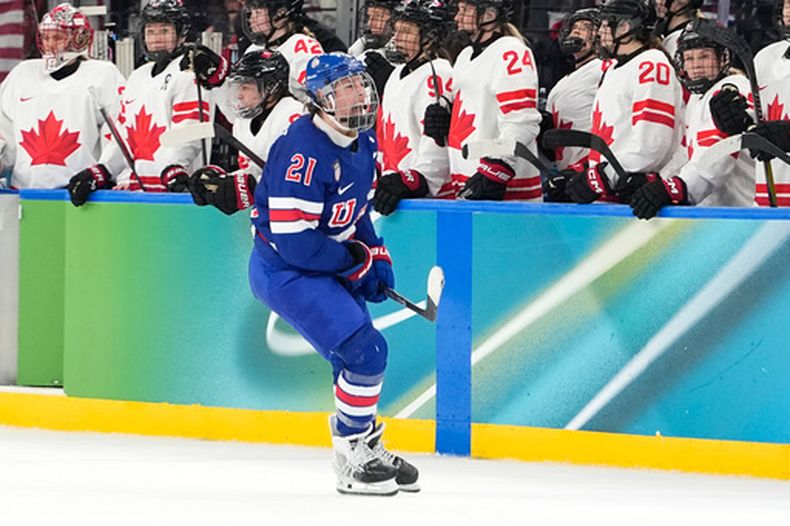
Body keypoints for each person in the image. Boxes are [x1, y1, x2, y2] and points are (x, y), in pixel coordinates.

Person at [196, 52, 419, 495]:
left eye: (360, 84)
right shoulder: (300, 152)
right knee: (366, 352)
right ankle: (351, 456)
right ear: (319, 99)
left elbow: (356, 214)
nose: (359, 94)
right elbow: (295, 241)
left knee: (355, 357)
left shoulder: (362, 141)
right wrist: (356, 264)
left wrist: (378, 255)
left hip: (322, 260)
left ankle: (363, 443)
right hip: (286, 270)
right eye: (345, 88)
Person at [67, 0, 215, 203]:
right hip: (142, 191)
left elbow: (192, 131)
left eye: (164, 30)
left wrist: (173, 168)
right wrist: (103, 169)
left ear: (181, 34)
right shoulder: (137, 77)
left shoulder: (188, 72)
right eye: (151, 32)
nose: (156, 39)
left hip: (179, 192)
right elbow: (124, 134)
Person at [629, 20, 756, 219]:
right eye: (689, 58)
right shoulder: (698, 97)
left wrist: (676, 187)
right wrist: (658, 180)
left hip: (740, 214)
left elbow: (716, 154)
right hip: (714, 213)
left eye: (704, 56)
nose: (696, 65)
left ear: (722, 58)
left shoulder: (732, 88)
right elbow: (684, 153)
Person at [561, 0, 684, 204]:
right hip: (609, 188)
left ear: (625, 27)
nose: (600, 32)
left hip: (634, 196)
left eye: (605, 24)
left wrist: (603, 176)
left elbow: (652, 144)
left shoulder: (652, 64)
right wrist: (588, 171)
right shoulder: (614, 68)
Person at [425, 0, 542, 201]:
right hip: (467, 180)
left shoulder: (511, 51)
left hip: (504, 189)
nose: (457, 17)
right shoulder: (466, 55)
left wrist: (498, 167)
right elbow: (465, 103)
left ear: (488, 15)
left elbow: (523, 121)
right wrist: (443, 111)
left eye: (464, 10)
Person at [0, 3, 124, 190]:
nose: (49, 44)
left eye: (58, 38)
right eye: (46, 37)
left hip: (82, 194)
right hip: (27, 195)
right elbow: (4, 129)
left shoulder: (103, 75)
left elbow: (121, 131)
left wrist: (104, 171)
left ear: (79, 39)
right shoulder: (22, 74)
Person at [186, 50, 304, 212]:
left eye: (246, 87)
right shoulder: (243, 122)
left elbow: (298, 179)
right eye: (237, 87)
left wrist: (251, 188)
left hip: (294, 217)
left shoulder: (294, 116)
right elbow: (253, 172)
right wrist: (220, 181)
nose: (239, 95)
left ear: (271, 87)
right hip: (261, 218)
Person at [372, 0, 454, 215]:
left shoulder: (439, 76)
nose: (397, 38)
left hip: (429, 199)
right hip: (394, 191)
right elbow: (385, 133)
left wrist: (419, 179)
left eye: (406, 32)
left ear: (430, 37)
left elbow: (438, 139)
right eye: (396, 30)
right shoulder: (395, 74)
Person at [709, 0, 790, 207]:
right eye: (787, 3)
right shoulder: (765, 58)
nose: (788, 11)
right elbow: (760, 123)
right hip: (766, 205)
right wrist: (737, 119)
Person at [543, 7, 606, 201]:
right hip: (566, 171)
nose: (576, 31)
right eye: (574, 27)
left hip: (592, 177)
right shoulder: (567, 79)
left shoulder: (606, 69)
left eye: (586, 27)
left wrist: (586, 169)